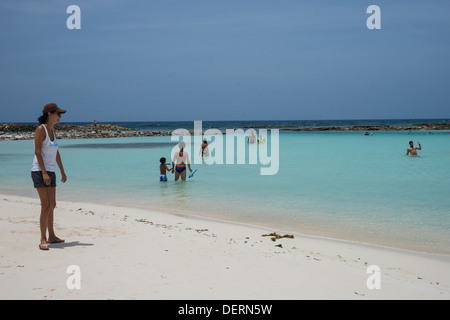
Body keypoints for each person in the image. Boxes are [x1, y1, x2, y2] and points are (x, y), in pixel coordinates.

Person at [31, 103, 67, 251]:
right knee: (45, 205)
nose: (60, 116)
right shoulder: (41, 129)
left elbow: (56, 152)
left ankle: (52, 236)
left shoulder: (52, 130)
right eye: (58, 114)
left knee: (52, 205)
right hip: (39, 171)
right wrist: (44, 173)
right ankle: (42, 238)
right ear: (50, 114)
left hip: (50, 171)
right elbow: (38, 152)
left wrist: (62, 171)